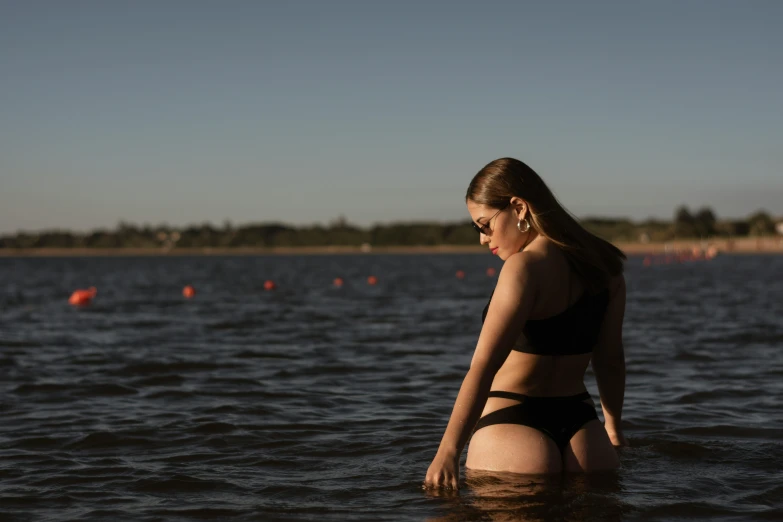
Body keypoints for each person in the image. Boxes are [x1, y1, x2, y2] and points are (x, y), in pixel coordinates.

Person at [424, 158, 628, 490]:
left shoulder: (524, 269)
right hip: (586, 435)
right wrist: (613, 430)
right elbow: (610, 360)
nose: (482, 239)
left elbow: (483, 367)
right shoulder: (606, 268)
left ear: (518, 208)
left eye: (484, 224)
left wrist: (447, 452)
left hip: (513, 430)